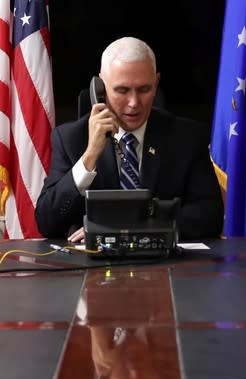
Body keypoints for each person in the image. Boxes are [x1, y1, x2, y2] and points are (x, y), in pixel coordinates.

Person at [34, 37, 223, 242]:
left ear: (156, 83)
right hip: (94, 267)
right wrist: (89, 157)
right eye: (122, 90)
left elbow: (209, 217)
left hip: (165, 266)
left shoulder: (188, 137)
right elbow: (47, 223)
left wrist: (127, 226)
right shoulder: (71, 138)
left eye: (144, 89)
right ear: (100, 88)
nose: (134, 103)